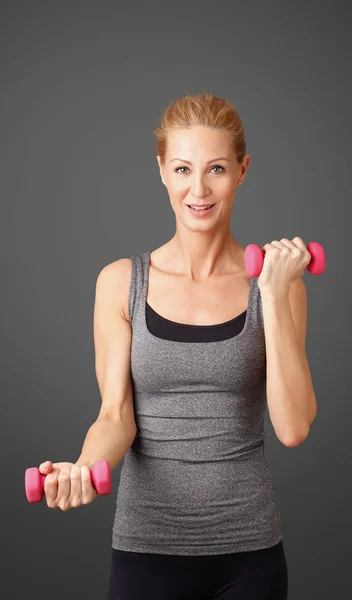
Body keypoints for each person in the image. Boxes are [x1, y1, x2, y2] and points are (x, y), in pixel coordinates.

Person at [38, 92, 317, 599]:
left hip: (249, 555)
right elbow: (115, 415)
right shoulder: (121, 283)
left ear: (242, 170)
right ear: (162, 170)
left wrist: (274, 294)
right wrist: (81, 467)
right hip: (147, 550)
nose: (199, 189)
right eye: (184, 169)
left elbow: (293, 426)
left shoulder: (280, 285)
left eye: (216, 169)